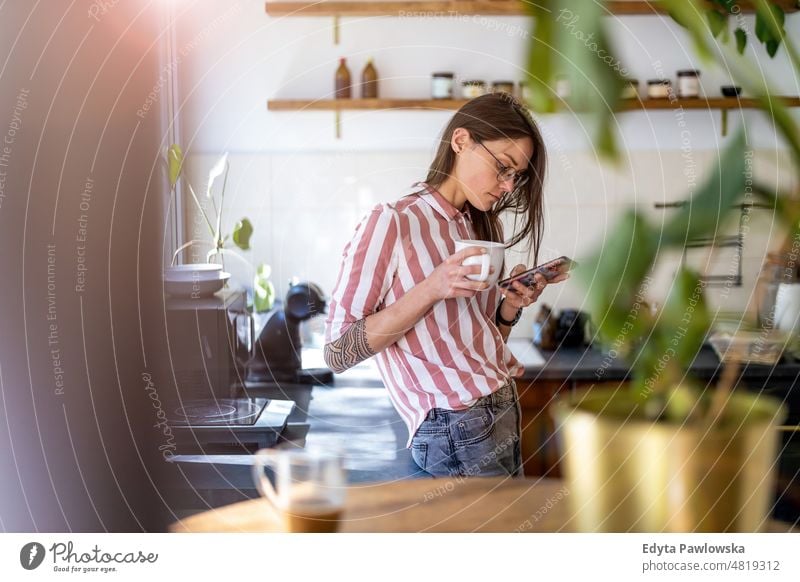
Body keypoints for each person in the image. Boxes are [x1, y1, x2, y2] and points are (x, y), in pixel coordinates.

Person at [323, 92, 568, 478]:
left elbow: (480, 344)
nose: (507, 186)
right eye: (502, 167)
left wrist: (509, 306)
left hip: (500, 409)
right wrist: (432, 286)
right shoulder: (394, 222)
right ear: (461, 141)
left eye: (515, 176)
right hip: (455, 426)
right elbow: (338, 352)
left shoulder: (482, 228)